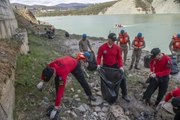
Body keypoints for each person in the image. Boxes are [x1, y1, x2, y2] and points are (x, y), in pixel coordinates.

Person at [36, 54, 96, 119]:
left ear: (53, 74)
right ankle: (58, 98)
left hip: (75, 65)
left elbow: (61, 90)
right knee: (57, 81)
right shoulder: (51, 65)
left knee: (82, 81)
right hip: (67, 60)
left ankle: (90, 94)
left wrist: (56, 108)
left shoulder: (62, 75)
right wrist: (42, 81)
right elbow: (44, 71)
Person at [97, 33, 130, 102]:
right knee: (105, 80)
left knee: (123, 79)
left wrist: (121, 66)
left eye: (115, 40)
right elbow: (99, 57)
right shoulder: (102, 47)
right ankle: (106, 94)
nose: (114, 42)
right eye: (113, 40)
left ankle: (124, 94)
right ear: (109, 39)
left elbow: (119, 58)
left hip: (115, 66)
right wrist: (98, 64)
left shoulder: (117, 47)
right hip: (105, 67)